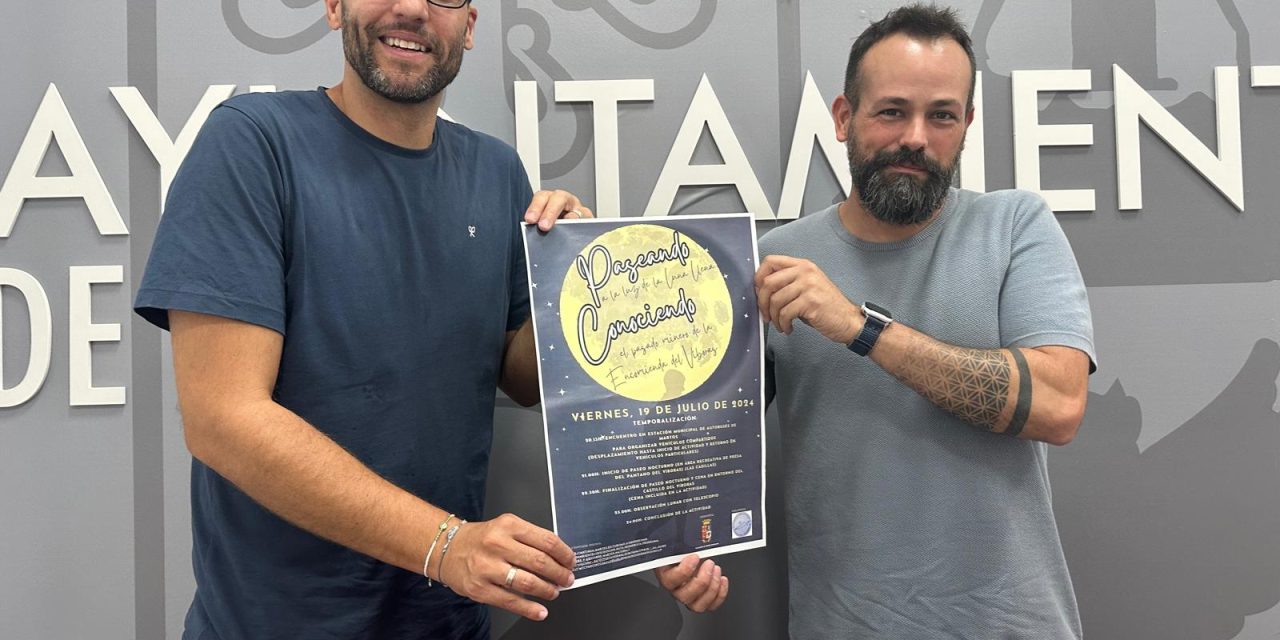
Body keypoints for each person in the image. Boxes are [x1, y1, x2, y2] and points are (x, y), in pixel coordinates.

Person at [134, 1, 725, 638]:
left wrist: (579, 284)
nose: (413, 8)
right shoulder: (253, 141)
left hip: (443, 620)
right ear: (335, 7)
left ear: (469, 28)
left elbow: (526, 378)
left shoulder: (495, 172)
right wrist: (445, 546)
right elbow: (222, 420)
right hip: (277, 621)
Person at [754, 4, 1095, 639]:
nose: (916, 136)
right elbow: (705, 443)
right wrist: (676, 546)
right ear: (843, 118)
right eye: (891, 111)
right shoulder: (776, 263)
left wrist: (860, 326)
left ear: (966, 124)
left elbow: (1058, 403)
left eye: (941, 114)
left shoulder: (1016, 226)